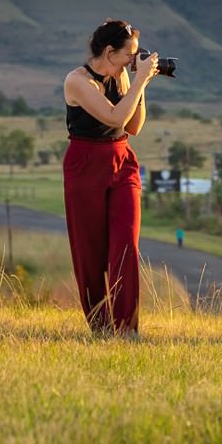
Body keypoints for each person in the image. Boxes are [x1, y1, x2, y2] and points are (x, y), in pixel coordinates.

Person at [62, 18, 159, 335]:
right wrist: (141, 80)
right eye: (129, 55)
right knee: (89, 249)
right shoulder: (78, 82)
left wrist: (138, 84)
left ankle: (126, 327)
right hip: (85, 163)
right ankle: (100, 325)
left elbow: (133, 126)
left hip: (122, 161)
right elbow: (114, 116)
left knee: (126, 243)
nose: (134, 60)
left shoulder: (123, 79)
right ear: (108, 51)